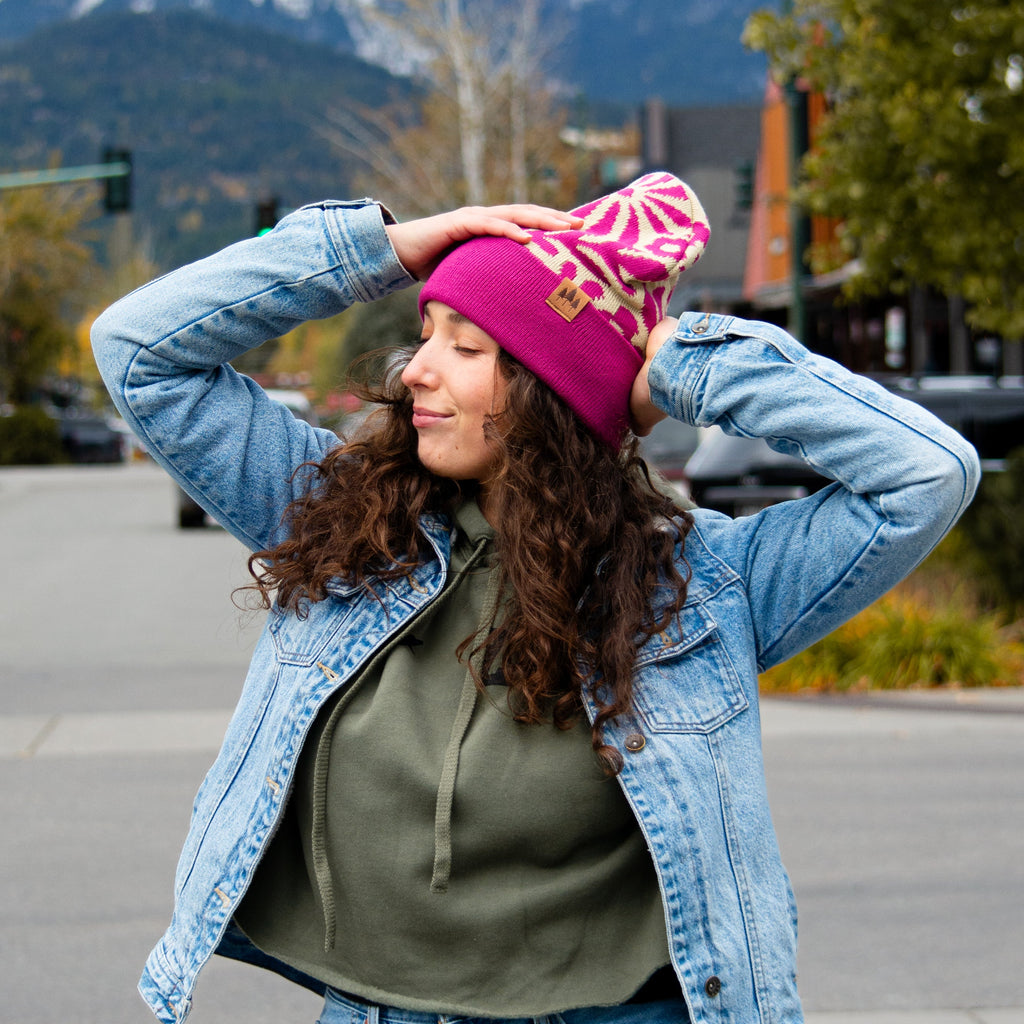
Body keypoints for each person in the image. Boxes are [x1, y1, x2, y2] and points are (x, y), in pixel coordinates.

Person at [91, 173, 979, 1024]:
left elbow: (927, 475)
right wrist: (386, 247)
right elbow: (138, 350)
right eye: (425, 332)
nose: (414, 372)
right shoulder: (345, 523)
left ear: (553, 396)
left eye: (465, 347)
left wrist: (682, 368)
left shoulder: (705, 586)